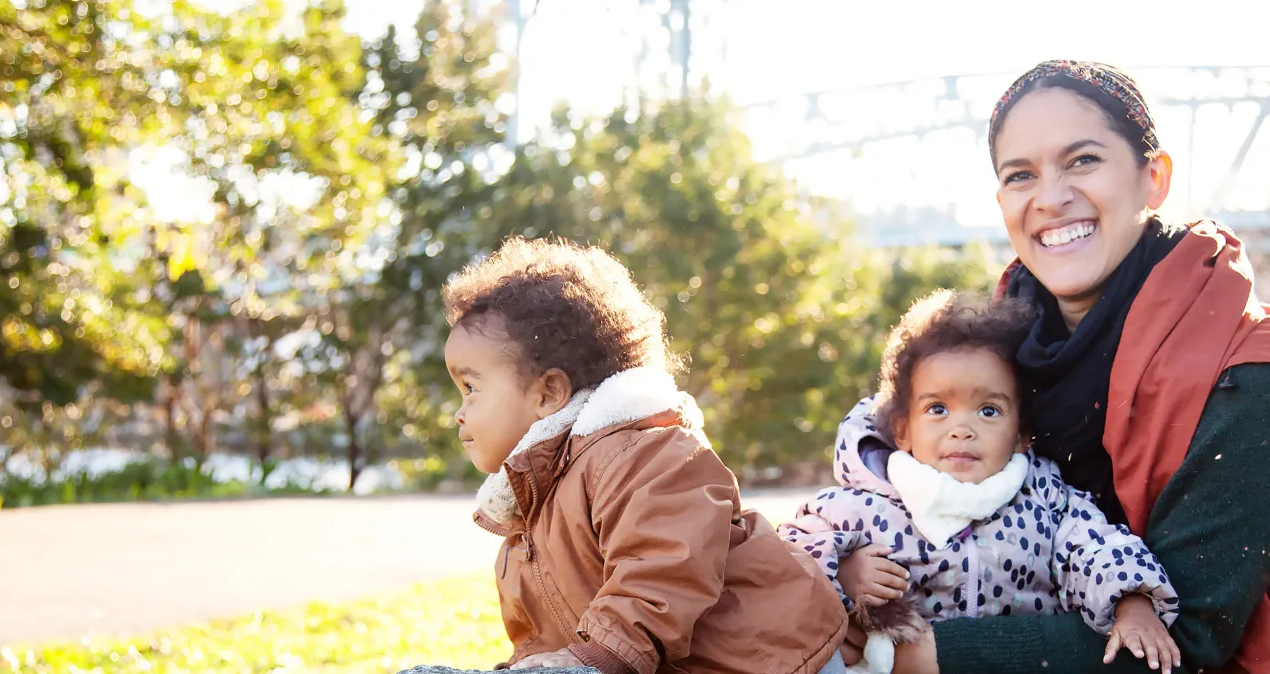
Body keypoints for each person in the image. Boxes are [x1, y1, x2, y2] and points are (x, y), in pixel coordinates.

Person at [833, 60, 1270, 674]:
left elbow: (1190, 635)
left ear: (1155, 177)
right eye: (1021, 175)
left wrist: (924, 653)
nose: (1051, 198)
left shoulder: (1247, 371)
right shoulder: (991, 358)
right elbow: (873, 471)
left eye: (1084, 160)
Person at [441, 236, 848, 674]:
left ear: (550, 392)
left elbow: (663, 570)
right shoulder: (527, 519)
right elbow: (545, 645)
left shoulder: (641, 454)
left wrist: (600, 657)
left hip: (773, 665)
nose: (460, 414)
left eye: (471, 388)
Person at [780, 289, 1179, 674]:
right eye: (938, 408)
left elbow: (1096, 546)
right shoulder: (867, 501)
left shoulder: (1045, 499)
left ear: (1022, 434)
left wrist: (1132, 604)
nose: (962, 428)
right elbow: (790, 554)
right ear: (902, 430)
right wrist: (844, 570)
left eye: (988, 410)